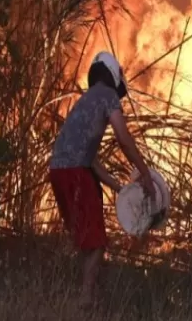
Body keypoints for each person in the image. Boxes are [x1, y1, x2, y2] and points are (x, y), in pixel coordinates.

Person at [48, 51, 156, 305]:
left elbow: (92, 161)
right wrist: (146, 175)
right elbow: (124, 140)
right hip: (75, 173)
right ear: (113, 77)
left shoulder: (85, 101)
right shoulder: (107, 95)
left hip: (58, 172)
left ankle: (88, 292)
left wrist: (120, 188)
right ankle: (86, 299)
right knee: (96, 242)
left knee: (85, 239)